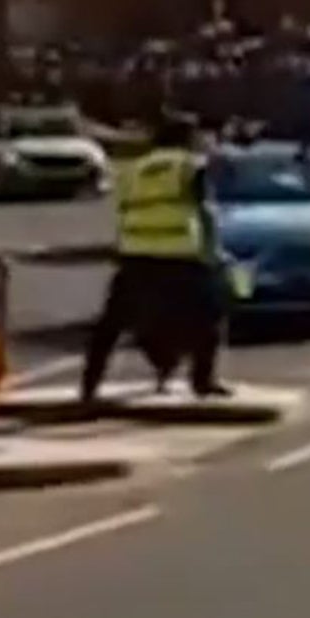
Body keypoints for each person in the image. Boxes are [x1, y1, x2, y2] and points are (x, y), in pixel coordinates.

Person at [80, 112, 229, 405]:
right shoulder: (190, 166)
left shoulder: (134, 170)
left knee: (110, 326)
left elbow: (124, 209)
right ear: (187, 139)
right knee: (210, 316)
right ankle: (203, 381)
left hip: (135, 254)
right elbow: (205, 211)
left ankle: (89, 385)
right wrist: (214, 253)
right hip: (180, 253)